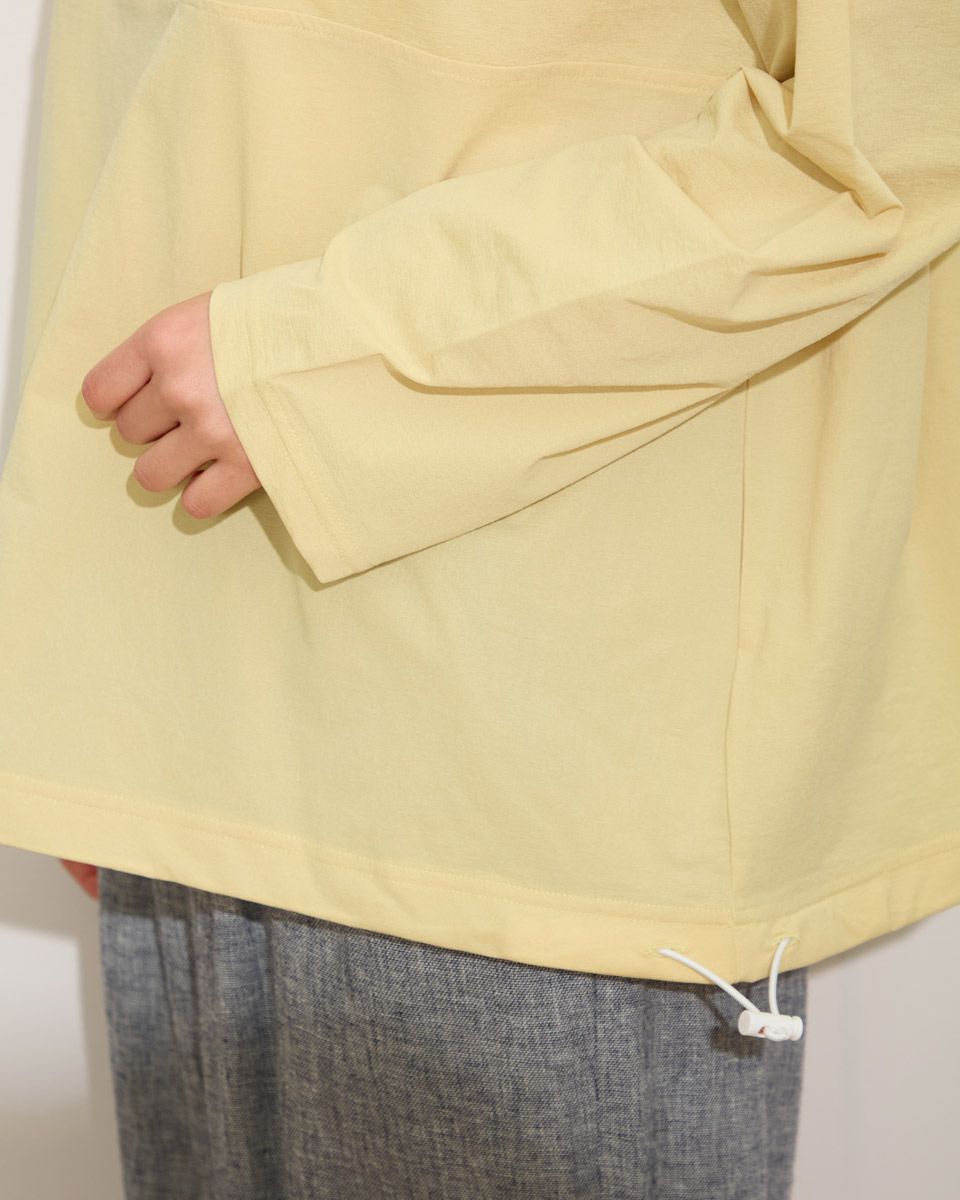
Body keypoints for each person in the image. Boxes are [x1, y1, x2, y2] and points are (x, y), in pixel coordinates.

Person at [3, 0, 959, 1195]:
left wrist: (326, 356)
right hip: (207, 710)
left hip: (522, 778)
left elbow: (901, 127)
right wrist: (113, 681)